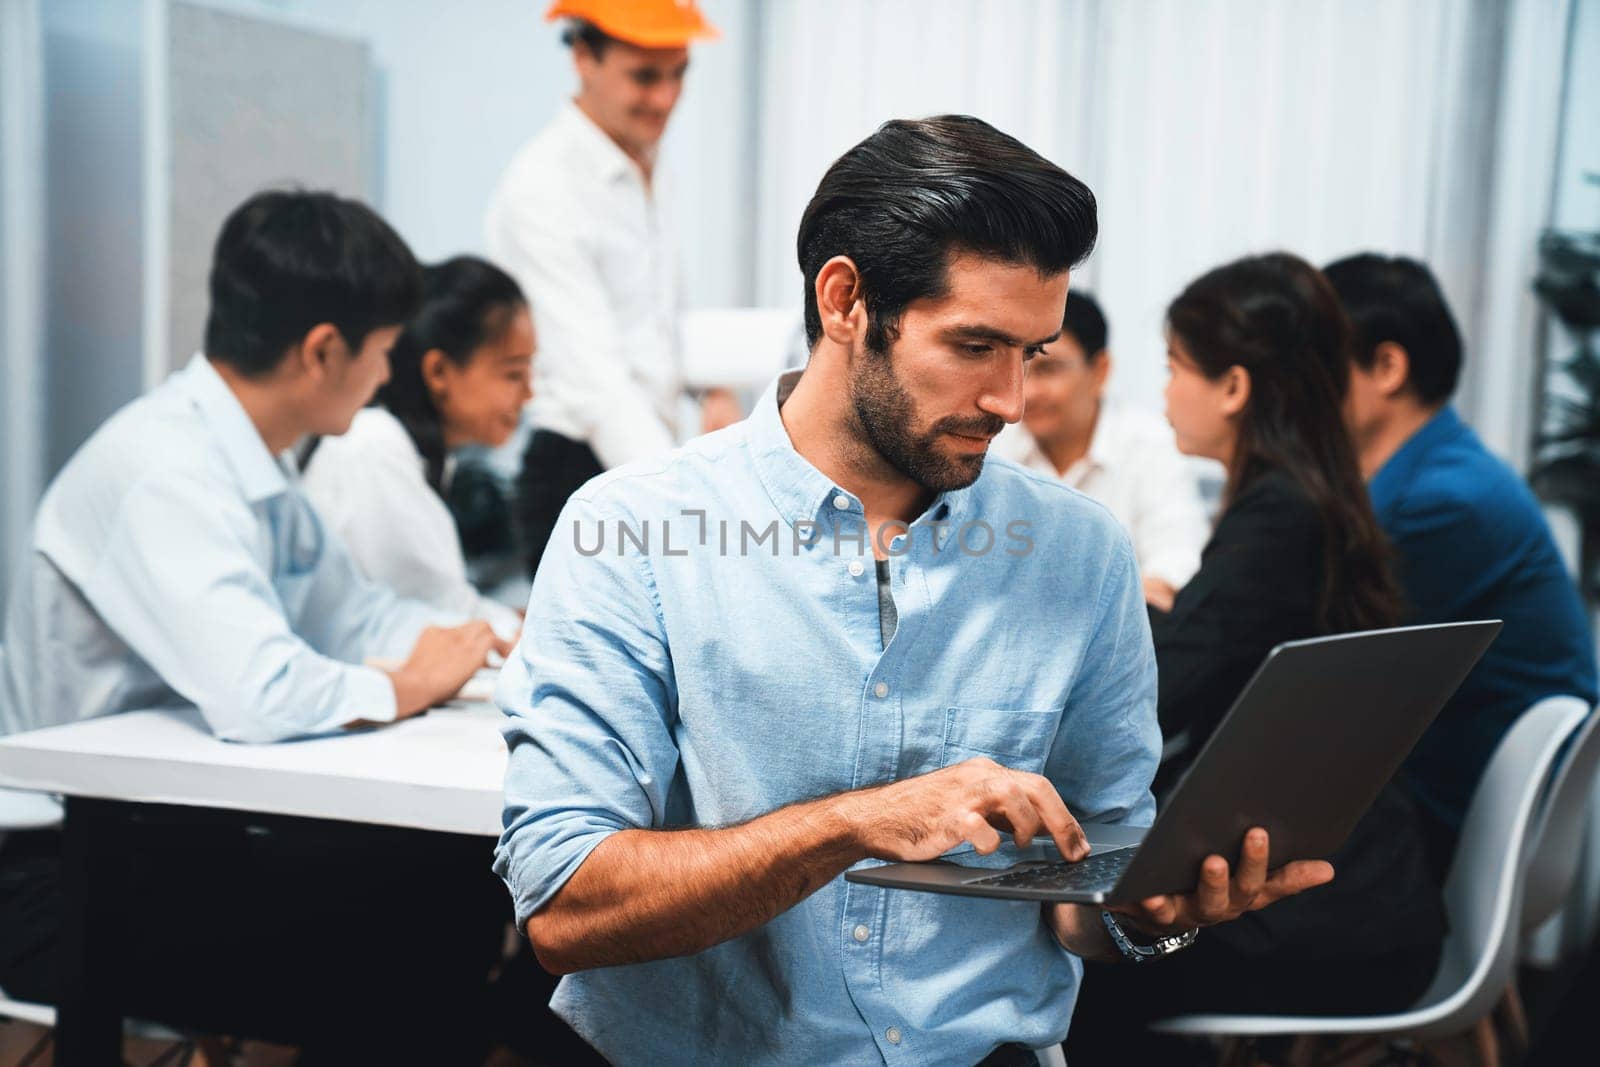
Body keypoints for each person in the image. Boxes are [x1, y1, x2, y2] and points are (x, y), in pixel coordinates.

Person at [494, 116, 1333, 1066]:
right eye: (976, 346)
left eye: (1035, 353)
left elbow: (1086, 907)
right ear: (846, 300)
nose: (1013, 400)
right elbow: (563, 906)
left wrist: (1157, 914)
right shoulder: (636, 530)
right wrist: (856, 823)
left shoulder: (1082, 554)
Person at [0, 190, 510, 1060]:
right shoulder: (165, 472)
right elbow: (259, 691)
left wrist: (492, 646)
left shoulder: (254, 463)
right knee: (417, 939)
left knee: (452, 887)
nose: (387, 375)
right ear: (322, 352)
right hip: (63, 873)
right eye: (383, 351)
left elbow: (358, 614)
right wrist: (403, 683)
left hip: (173, 833)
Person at [1067, 253, 1447, 1064]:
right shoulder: (1315, 497)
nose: (1164, 391)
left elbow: (1152, 696)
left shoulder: (1277, 520)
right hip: (1366, 890)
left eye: (1175, 367)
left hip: (1322, 918)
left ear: (1234, 388)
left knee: (1075, 970)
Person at [1325, 253, 1598, 878]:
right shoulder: (1431, 471)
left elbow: (1328, 666)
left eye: (1316, 360)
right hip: (1451, 784)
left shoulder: (1441, 502)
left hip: (1462, 814)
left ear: (1387, 367)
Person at [486, 0, 738, 575]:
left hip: (651, 455)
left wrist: (711, 388)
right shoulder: (544, 188)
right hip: (583, 468)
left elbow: (660, 317)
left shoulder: (650, 162)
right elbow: (594, 383)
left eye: (679, 75)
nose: (666, 99)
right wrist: (695, 508)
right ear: (583, 57)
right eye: (645, 77)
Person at [303, 255, 532, 640]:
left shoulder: (415, 455)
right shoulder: (371, 446)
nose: (528, 394)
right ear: (439, 372)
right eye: (513, 373)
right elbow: (440, 616)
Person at [994, 290, 1208, 610]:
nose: (1029, 392)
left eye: (1049, 370)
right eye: (1022, 369)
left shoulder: (1150, 443)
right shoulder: (994, 443)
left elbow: (1177, 564)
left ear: (1100, 371)